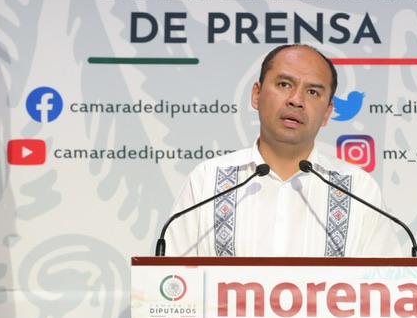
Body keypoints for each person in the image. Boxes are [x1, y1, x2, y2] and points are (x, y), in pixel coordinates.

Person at [165, 44, 401, 257]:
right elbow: (171, 281)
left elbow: (385, 285)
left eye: (313, 92)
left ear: (327, 113)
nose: (296, 100)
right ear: (256, 95)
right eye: (284, 84)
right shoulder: (207, 180)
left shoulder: (358, 190)